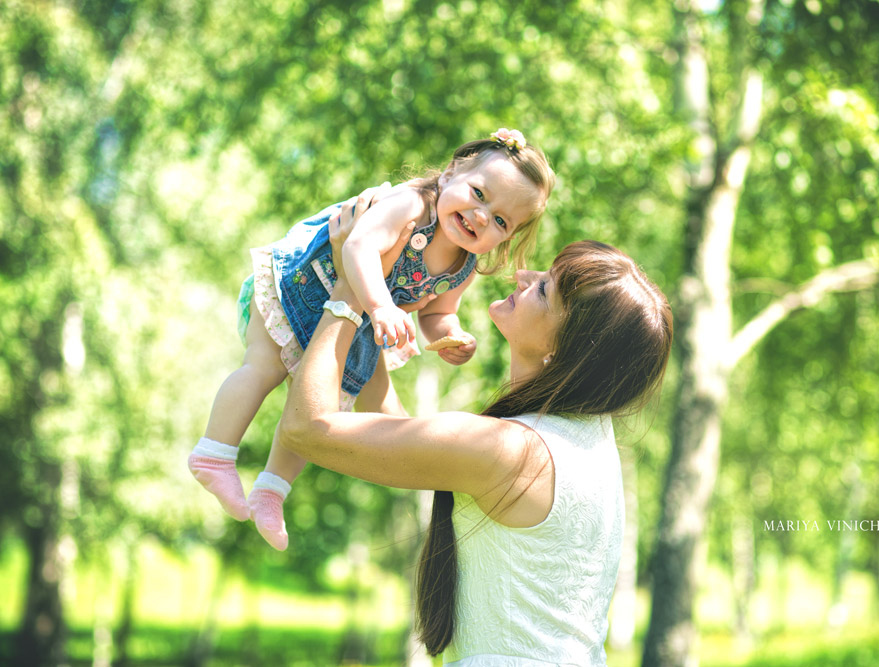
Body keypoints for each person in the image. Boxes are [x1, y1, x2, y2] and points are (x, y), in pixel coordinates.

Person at [276, 190, 673, 664]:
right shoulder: (585, 439)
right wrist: (371, 304)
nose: (524, 275)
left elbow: (307, 430)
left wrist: (345, 288)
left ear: (562, 351)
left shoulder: (513, 452)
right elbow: (398, 437)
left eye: (544, 289)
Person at [188, 129, 555, 550]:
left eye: (501, 221)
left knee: (325, 403)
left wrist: (449, 334)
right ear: (451, 172)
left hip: (354, 319)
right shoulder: (413, 206)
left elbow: (438, 311)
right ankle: (213, 453)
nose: (481, 216)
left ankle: (271, 490)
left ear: (507, 238)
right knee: (264, 366)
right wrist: (381, 307)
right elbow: (359, 246)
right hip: (306, 281)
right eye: (479, 193)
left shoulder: (464, 265)